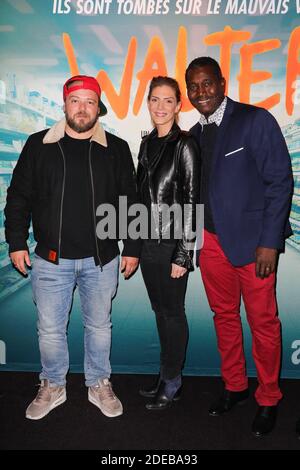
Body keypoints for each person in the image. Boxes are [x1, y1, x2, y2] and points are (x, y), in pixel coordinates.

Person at [4, 75, 140, 420]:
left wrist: (133, 246)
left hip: (102, 259)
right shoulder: (39, 145)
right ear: (65, 105)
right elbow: (18, 196)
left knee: (99, 327)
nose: (82, 108)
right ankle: (53, 385)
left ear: (99, 108)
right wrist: (17, 241)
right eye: (76, 101)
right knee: (49, 329)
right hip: (50, 260)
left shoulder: (117, 148)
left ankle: (98, 382)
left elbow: (130, 201)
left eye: (90, 101)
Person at [185, 57, 293, 436]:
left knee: (263, 323)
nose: (201, 92)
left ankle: (268, 398)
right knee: (224, 318)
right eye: (193, 86)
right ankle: (235, 386)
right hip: (211, 244)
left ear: (222, 83)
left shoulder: (255, 120)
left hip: (253, 246)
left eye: (207, 83)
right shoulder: (192, 135)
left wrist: (269, 241)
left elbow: (280, 181)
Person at [136, 76, 200, 410]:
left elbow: (191, 201)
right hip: (147, 244)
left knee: (173, 312)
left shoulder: (184, 145)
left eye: (168, 100)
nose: (160, 107)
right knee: (160, 311)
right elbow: (139, 198)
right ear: (148, 103)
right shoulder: (146, 145)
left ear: (178, 105)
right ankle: (165, 374)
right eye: (155, 100)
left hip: (172, 244)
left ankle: (173, 380)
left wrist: (183, 253)